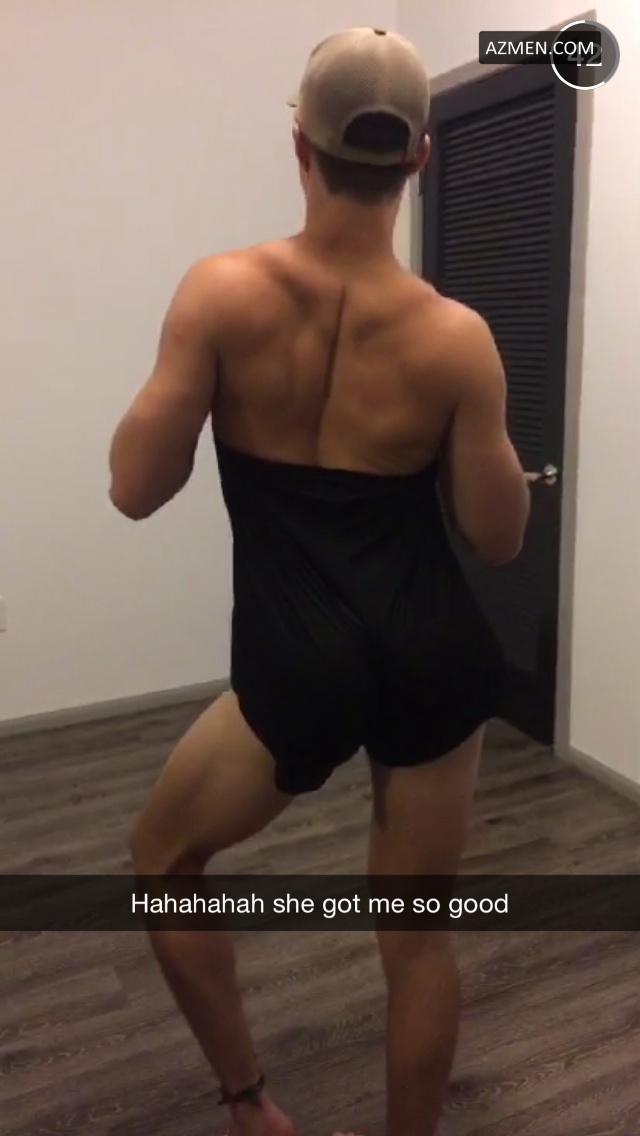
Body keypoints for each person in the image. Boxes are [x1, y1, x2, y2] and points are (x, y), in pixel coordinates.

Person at [108, 26, 530, 1136]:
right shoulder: (457, 338)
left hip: (296, 651)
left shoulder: (220, 294)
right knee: (418, 937)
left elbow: (135, 488)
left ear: (300, 142)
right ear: (420, 158)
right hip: (429, 641)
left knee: (163, 859)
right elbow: (497, 538)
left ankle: (251, 1104)